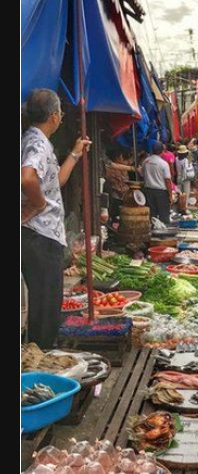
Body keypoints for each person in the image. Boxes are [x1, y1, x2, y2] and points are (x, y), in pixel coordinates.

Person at [21, 88, 92, 348]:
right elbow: (27, 176)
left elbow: (55, 182)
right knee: (46, 305)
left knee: (46, 302)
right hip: (39, 235)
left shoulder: (34, 139)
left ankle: (39, 355)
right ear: (53, 116)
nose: (61, 117)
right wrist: (38, 205)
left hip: (40, 235)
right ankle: (40, 362)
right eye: (60, 112)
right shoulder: (37, 143)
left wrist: (74, 153)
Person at [142, 141, 173, 224]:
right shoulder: (163, 164)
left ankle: (153, 231)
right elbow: (167, 180)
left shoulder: (145, 161)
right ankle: (163, 232)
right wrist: (170, 195)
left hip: (148, 191)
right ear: (162, 151)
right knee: (163, 215)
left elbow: (142, 174)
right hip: (161, 193)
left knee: (152, 215)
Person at [103, 146, 134, 224]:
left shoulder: (122, 169)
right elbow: (119, 185)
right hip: (116, 197)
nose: (129, 162)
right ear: (119, 157)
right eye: (126, 160)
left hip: (122, 196)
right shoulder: (111, 169)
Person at [174, 144, 194, 213]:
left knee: (180, 193)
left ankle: (179, 207)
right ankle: (185, 208)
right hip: (185, 178)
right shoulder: (186, 160)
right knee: (186, 193)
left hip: (179, 177)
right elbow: (191, 160)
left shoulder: (176, 158)